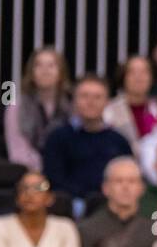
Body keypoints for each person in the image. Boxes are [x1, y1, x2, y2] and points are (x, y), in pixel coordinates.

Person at [41, 75, 133, 203]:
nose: (91, 102)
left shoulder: (119, 141)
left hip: (111, 205)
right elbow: (53, 180)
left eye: (97, 97)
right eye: (84, 96)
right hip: (68, 207)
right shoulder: (57, 138)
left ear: (107, 102)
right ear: (74, 100)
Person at [77, 157, 155, 247]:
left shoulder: (154, 229)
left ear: (141, 188)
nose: (125, 187)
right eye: (118, 181)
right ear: (106, 188)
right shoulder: (86, 228)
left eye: (132, 181)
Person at [3, 47, 72, 172]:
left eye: (51, 65)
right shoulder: (16, 106)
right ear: (31, 72)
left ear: (61, 72)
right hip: (28, 171)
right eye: (38, 65)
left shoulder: (72, 105)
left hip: (66, 170)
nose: (45, 71)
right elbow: (17, 150)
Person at [102, 55, 157, 153]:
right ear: (123, 77)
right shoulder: (109, 109)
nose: (138, 77)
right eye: (132, 72)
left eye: (144, 72)